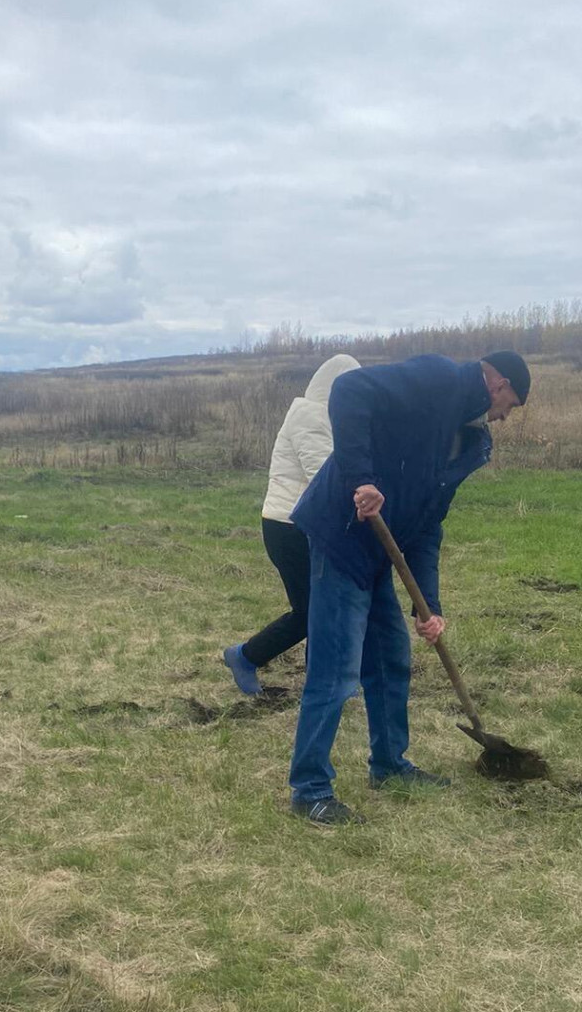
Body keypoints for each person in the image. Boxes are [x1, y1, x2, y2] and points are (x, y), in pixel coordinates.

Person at [286, 351, 531, 824]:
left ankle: (389, 764)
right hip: (343, 536)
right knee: (336, 672)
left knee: (390, 660)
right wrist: (361, 479)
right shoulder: (437, 378)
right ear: (497, 384)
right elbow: (349, 391)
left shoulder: (470, 441)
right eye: (510, 405)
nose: (503, 417)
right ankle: (310, 788)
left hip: (384, 547)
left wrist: (428, 606)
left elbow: (427, 527)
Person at [222, 354, 360, 695]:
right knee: (310, 611)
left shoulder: (328, 418)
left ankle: (324, 676)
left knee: (321, 608)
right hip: (288, 528)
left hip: (304, 526)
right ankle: (245, 656)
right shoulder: (309, 416)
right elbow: (325, 478)